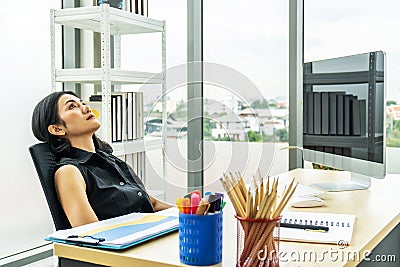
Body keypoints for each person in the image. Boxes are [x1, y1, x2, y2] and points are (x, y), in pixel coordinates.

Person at [31, 91, 171, 227]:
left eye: (82, 103)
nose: (86, 108)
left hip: (150, 237)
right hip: (127, 247)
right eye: (72, 106)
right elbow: (92, 233)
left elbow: (153, 205)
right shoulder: (69, 172)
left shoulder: (112, 161)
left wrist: (189, 211)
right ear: (57, 129)